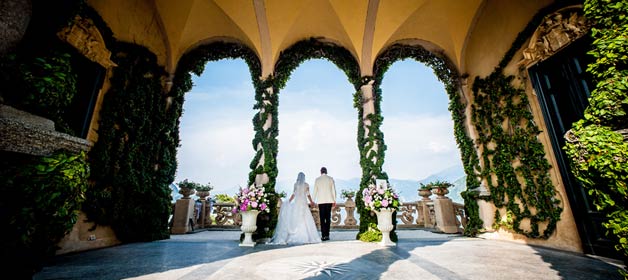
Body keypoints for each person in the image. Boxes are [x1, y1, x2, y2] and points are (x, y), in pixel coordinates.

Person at [270, 172, 321, 245]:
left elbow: (294, 194)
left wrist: (289, 201)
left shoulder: (296, 184)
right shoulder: (306, 185)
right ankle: (306, 236)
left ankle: (295, 234)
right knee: (305, 218)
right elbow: (308, 195)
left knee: (296, 218)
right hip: (304, 203)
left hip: (297, 203)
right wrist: (312, 202)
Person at [312, 166, 336, 241]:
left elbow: (315, 191)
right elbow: (333, 191)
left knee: (322, 219)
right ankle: (327, 235)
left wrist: (313, 201)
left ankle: (323, 236)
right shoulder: (331, 179)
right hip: (329, 201)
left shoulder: (317, 180)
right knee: (328, 218)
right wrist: (334, 200)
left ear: (320, 172)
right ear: (326, 171)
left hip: (321, 202)